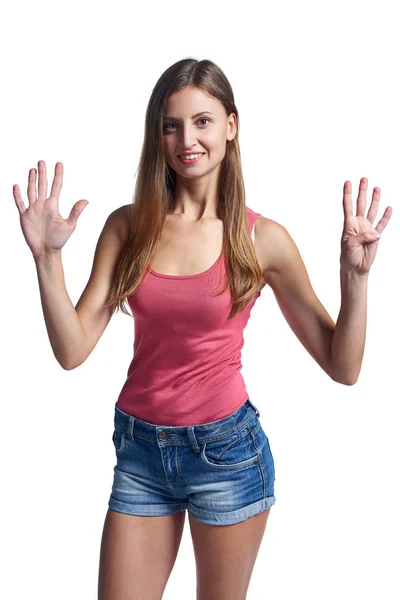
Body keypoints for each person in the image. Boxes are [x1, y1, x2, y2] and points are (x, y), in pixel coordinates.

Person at [13, 58, 392, 600]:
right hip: (141, 452)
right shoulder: (129, 226)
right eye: (172, 125)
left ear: (231, 126)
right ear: (158, 134)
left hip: (226, 455)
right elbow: (72, 350)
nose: (187, 139)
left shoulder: (263, 240)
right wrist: (47, 261)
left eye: (203, 121)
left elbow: (344, 366)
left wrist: (354, 278)